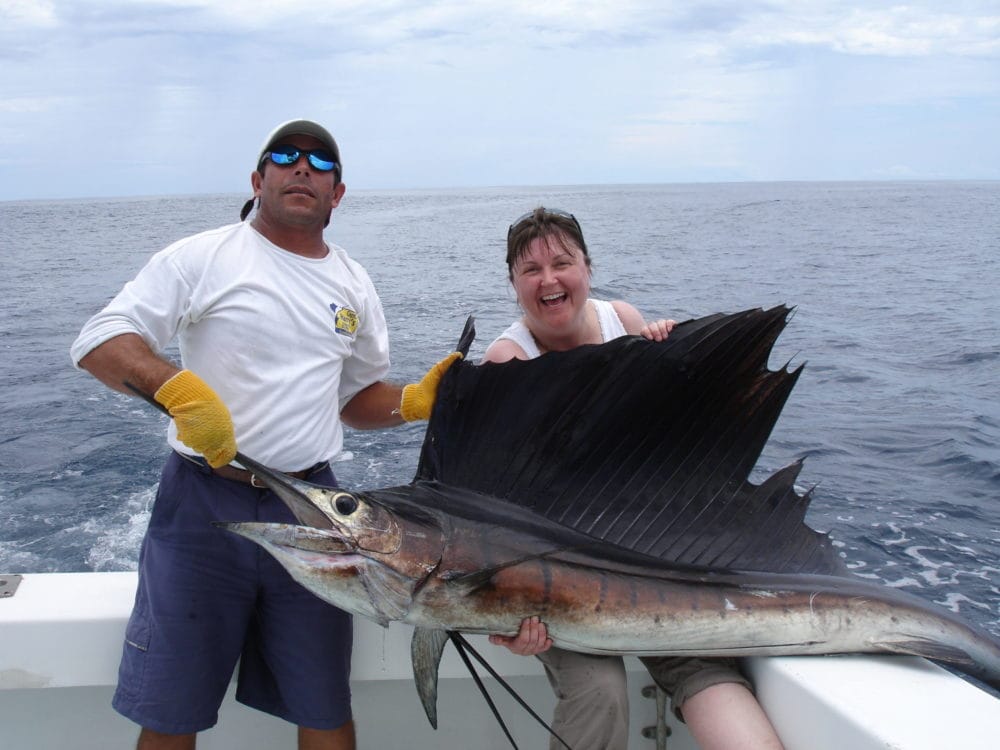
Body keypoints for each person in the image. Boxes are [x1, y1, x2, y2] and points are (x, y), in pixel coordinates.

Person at [70, 119, 458, 750]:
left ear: (338, 194)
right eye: (284, 156)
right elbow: (100, 339)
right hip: (202, 506)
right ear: (258, 180)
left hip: (314, 510)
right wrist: (177, 391)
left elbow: (356, 401)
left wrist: (414, 402)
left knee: (325, 705)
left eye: (320, 161)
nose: (301, 165)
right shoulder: (202, 256)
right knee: (172, 712)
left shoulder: (354, 284)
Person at [484, 207, 784, 750]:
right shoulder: (508, 360)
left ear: (588, 269)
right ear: (513, 284)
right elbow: (502, 509)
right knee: (600, 690)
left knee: (702, 669)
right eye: (530, 270)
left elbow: (663, 444)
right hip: (555, 574)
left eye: (562, 262)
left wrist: (666, 358)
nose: (549, 280)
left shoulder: (622, 319)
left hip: (650, 552)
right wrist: (511, 612)